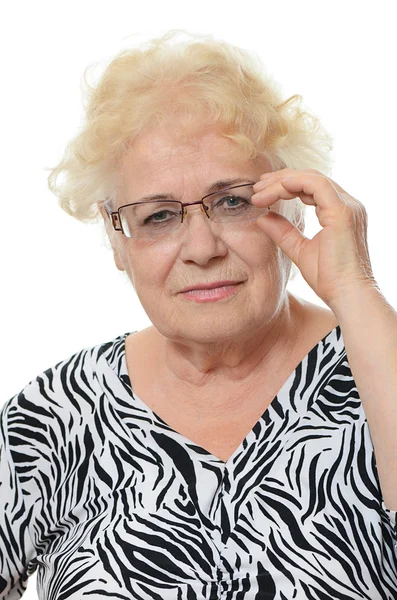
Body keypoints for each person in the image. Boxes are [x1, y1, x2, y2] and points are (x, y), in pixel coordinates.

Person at [1, 29, 396, 600]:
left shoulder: (374, 363)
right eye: (159, 215)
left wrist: (354, 288)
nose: (202, 247)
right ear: (117, 239)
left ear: (292, 202)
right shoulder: (52, 415)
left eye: (232, 201)